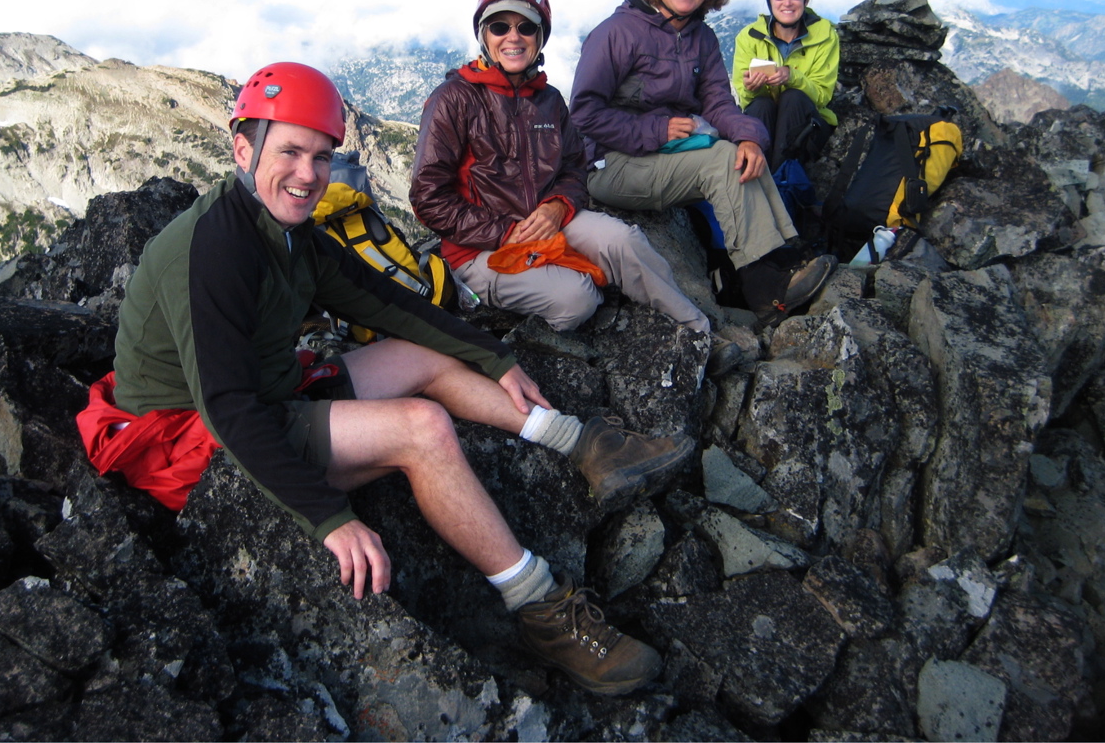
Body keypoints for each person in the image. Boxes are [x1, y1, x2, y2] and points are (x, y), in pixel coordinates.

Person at [86, 62, 686, 696]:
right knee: (422, 429)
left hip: (263, 395)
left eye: (322, 157)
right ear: (243, 147)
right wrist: (328, 518)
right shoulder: (213, 249)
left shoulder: (290, 235)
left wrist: (496, 357)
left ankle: (584, 444)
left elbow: (388, 304)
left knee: (418, 356)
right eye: (290, 151)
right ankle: (540, 607)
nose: (309, 174)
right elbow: (227, 408)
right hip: (195, 447)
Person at [410, 0, 738, 374]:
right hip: (480, 246)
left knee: (624, 239)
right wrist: (502, 231)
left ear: (540, 36)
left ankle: (698, 331)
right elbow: (428, 196)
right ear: (484, 35)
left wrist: (557, 206)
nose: (513, 37)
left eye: (526, 27)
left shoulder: (548, 101)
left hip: (549, 222)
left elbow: (573, 168)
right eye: (499, 26)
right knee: (577, 299)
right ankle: (484, 292)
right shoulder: (454, 99)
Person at [569, 0, 835, 328]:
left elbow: (718, 102)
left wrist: (749, 136)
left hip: (664, 157)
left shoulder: (701, 38)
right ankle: (766, 291)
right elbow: (583, 113)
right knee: (722, 162)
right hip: (610, 165)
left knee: (745, 154)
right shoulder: (617, 33)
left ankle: (785, 253)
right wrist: (653, 131)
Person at [733, 0, 839, 170]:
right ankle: (769, 180)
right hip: (767, 117)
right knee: (761, 104)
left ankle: (774, 185)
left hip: (809, 123)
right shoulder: (749, 37)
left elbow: (822, 96)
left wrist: (792, 77)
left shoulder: (825, 34)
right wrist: (750, 87)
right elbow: (746, 100)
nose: (787, 2)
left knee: (793, 98)